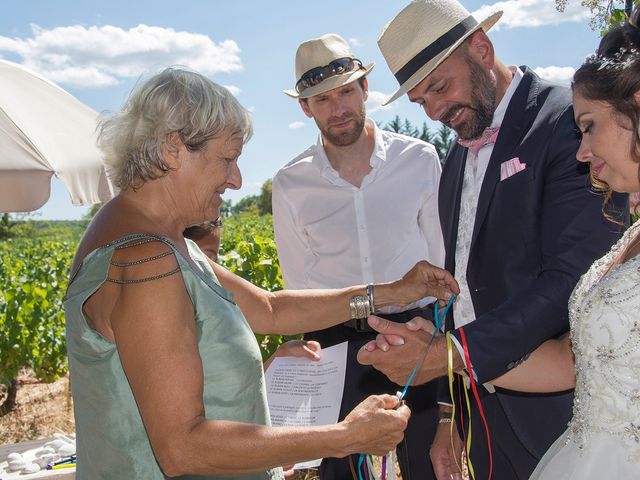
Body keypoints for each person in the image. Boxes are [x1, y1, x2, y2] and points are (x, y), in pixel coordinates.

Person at [64, 67, 460, 480]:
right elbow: (182, 448)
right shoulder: (146, 261)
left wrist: (392, 292)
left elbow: (270, 310)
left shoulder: (158, 241)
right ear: (173, 149)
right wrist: (345, 436)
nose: (235, 180)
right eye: (227, 159)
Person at [357, 1, 628, 479]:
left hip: (562, 416)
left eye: (440, 86)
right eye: (421, 102)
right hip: (482, 418)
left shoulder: (567, 122)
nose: (436, 110)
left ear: (482, 49)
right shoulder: (455, 159)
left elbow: (573, 277)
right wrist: (448, 412)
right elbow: (461, 292)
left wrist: (452, 354)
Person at [273, 33, 445, 479]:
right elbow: (296, 286)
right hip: (333, 347)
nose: (338, 108)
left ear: (365, 90)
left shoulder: (420, 160)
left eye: (347, 91)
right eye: (322, 99)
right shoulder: (291, 184)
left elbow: (444, 268)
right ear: (305, 108)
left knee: (426, 461)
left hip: (415, 332)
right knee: (341, 470)